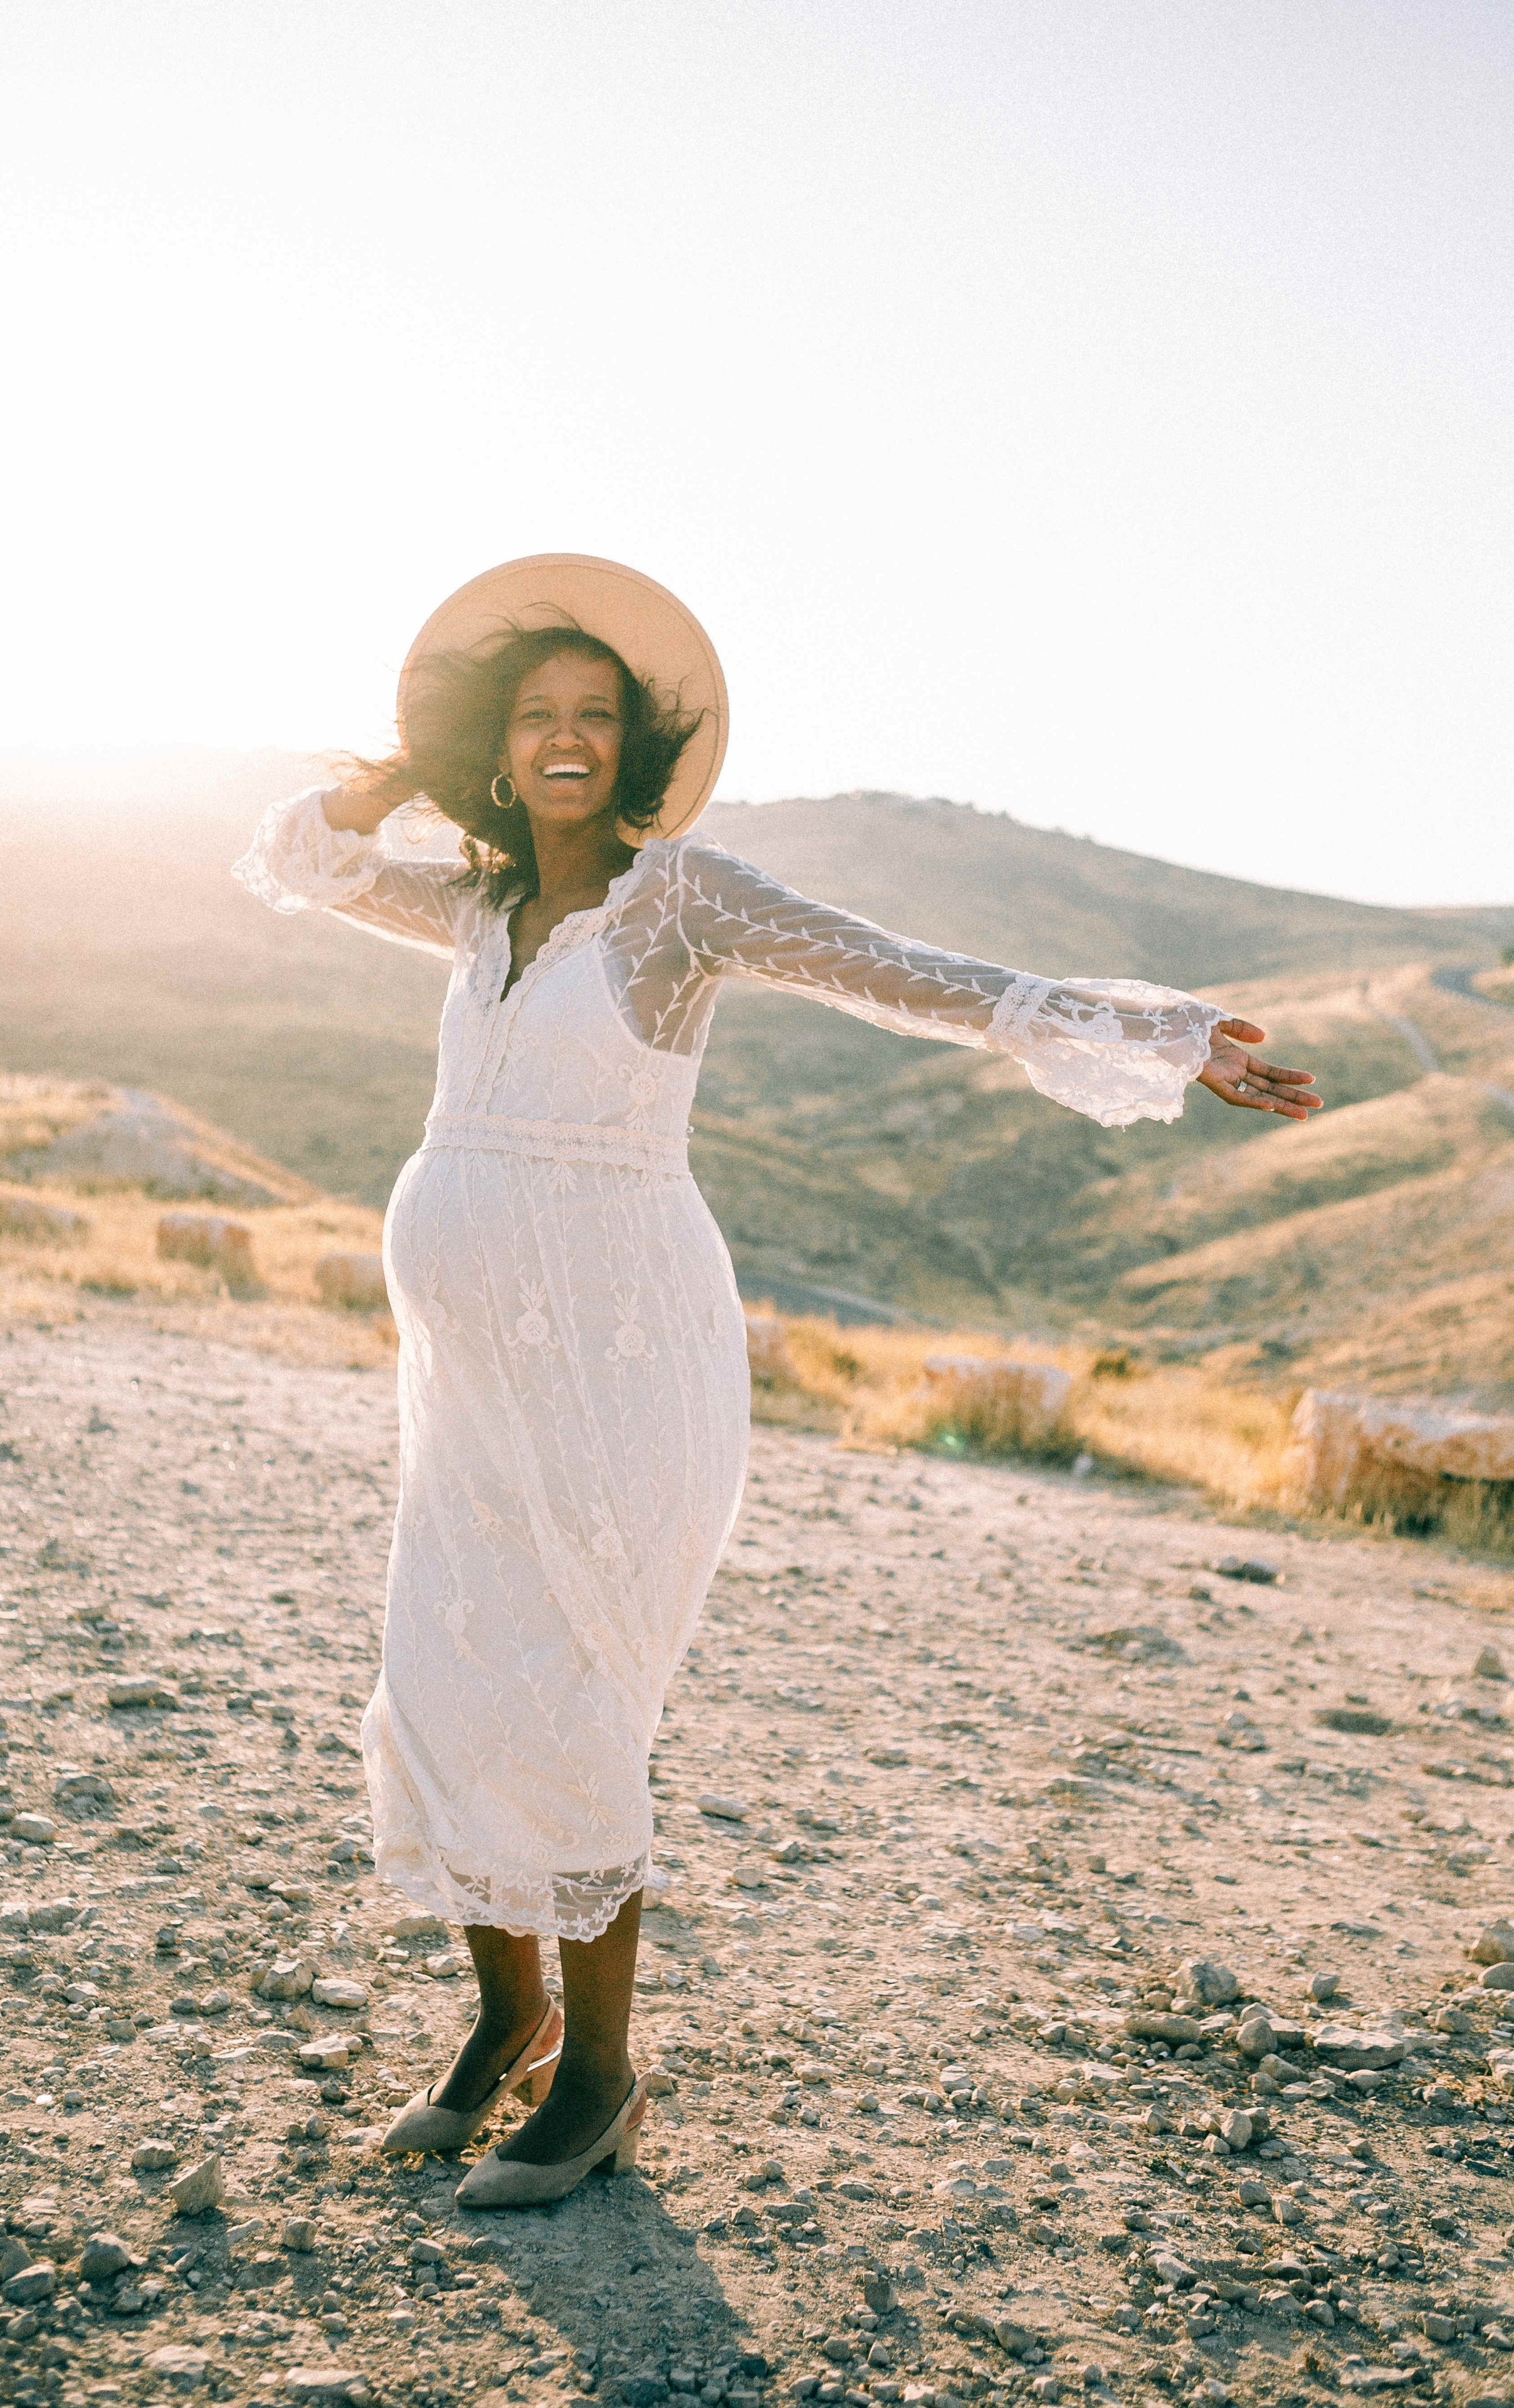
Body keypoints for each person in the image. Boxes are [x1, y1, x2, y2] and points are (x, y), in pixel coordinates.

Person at [233, 554, 1319, 2209]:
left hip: (622, 1360)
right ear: (499, 746)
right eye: (533, 718)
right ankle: (506, 2016)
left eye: (597, 716)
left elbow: (905, 972)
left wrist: (1158, 1032)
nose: (567, 742)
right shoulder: (473, 904)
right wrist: (405, 756)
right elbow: (299, 856)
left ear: (644, 745)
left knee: (578, 1692)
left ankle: (599, 2075)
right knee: (448, 1664)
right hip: (468, 1379)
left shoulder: (681, 900)